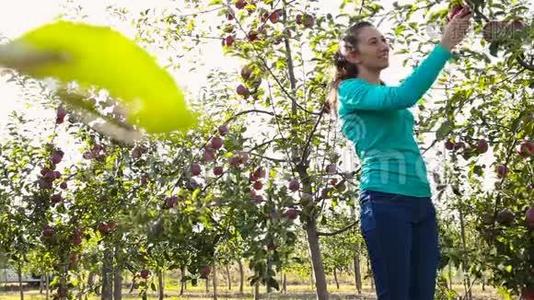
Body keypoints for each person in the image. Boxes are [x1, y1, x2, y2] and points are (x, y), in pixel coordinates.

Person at [326, 6, 473, 300]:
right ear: (353, 55)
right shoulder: (350, 91)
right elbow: (405, 96)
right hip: (385, 200)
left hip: (420, 200)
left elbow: (398, 98)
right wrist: (445, 45)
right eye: (373, 42)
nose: (383, 46)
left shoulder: (381, 93)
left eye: (383, 39)